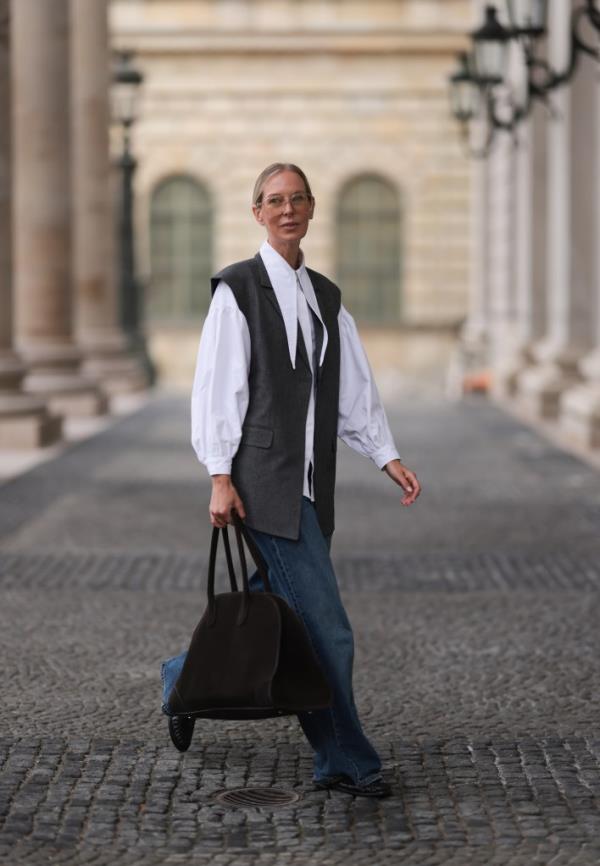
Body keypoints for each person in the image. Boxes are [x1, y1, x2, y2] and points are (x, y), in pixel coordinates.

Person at [185, 162, 421, 798]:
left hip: (315, 490)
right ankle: (344, 759)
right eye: (274, 200)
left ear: (312, 208)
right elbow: (219, 389)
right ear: (256, 212)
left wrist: (384, 454)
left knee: (282, 618)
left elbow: (350, 390)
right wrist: (219, 476)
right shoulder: (236, 289)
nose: (287, 209)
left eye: (298, 199)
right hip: (264, 486)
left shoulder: (326, 296)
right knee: (327, 630)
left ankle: (182, 681)